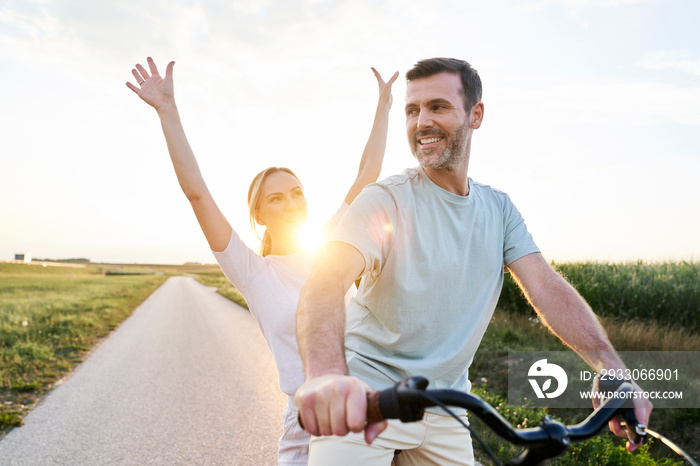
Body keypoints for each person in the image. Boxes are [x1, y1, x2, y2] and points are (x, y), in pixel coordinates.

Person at [294, 57, 654, 465]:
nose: (421, 122)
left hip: (447, 406)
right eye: (412, 110)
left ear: (475, 114)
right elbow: (325, 280)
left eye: (438, 106)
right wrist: (326, 375)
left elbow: (545, 287)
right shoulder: (385, 199)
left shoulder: (498, 210)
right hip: (368, 396)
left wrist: (611, 366)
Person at [126, 57, 398, 465]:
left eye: (296, 192)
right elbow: (197, 193)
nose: (290, 202)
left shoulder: (332, 243)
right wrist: (168, 111)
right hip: (307, 423)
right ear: (259, 214)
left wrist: (384, 107)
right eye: (276, 197)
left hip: (363, 410)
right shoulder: (252, 272)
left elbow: (367, 175)